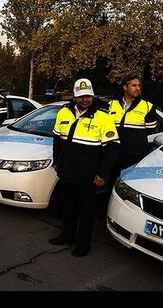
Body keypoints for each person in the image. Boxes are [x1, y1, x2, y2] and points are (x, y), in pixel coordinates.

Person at [50, 78, 120, 257]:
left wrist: (102, 173)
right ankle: (67, 235)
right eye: (81, 96)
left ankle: (83, 243)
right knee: (68, 207)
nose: (85, 100)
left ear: (93, 95)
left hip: (89, 175)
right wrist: (57, 161)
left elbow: (111, 149)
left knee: (87, 211)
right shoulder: (63, 113)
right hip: (67, 171)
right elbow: (57, 140)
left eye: (88, 96)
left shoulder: (103, 117)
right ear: (74, 97)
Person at [107, 74, 157, 188]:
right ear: (125, 87)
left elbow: (150, 132)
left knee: (130, 191)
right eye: (134, 85)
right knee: (112, 189)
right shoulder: (111, 105)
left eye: (139, 86)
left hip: (134, 159)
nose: (137, 88)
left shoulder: (147, 106)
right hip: (114, 158)